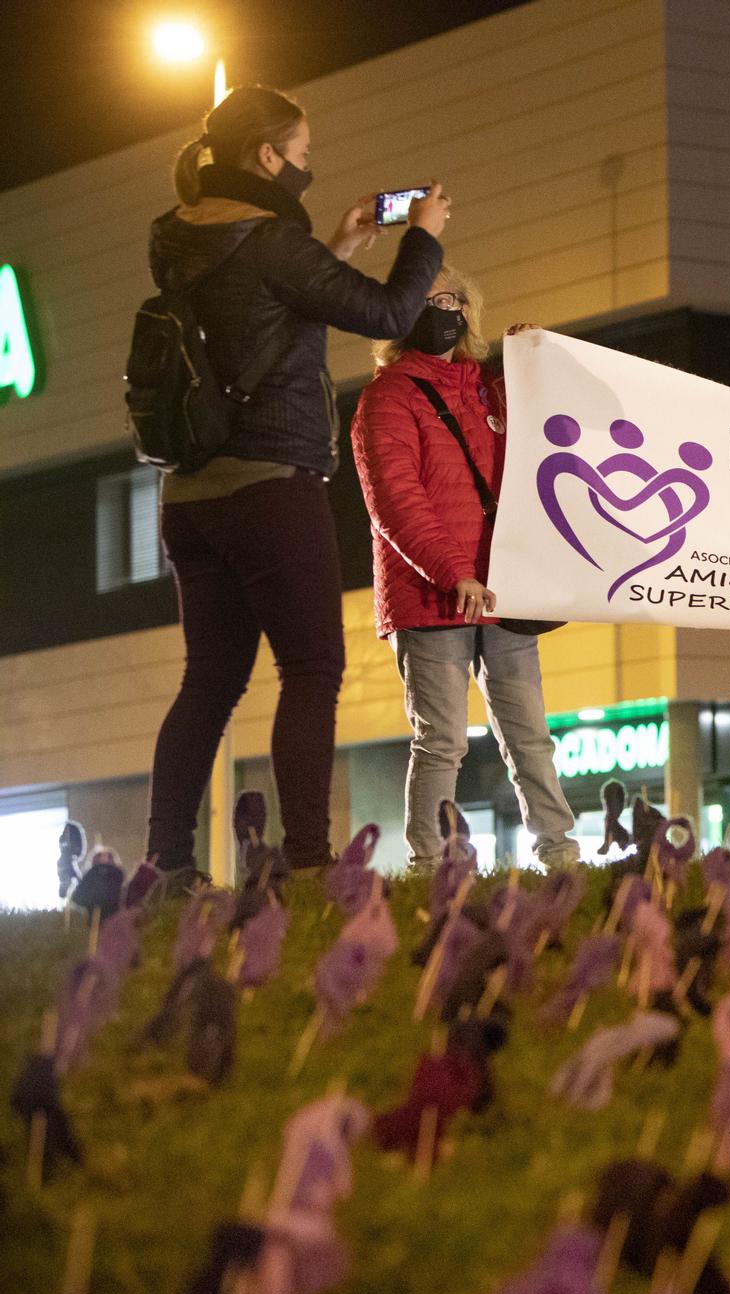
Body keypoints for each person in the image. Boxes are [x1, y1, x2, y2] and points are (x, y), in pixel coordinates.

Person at [145, 85, 448, 879]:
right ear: (268, 155)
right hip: (271, 488)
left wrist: (337, 246)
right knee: (311, 669)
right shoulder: (275, 240)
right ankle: (309, 865)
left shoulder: (177, 236)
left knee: (208, 680)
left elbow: (263, 315)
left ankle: (166, 866)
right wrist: (421, 239)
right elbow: (387, 314)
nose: (308, 171)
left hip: (188, 497)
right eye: (303, 156)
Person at [351, 265, 581, 874]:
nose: (442, 310)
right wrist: (453, 571)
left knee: (530, 736)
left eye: (450, 298)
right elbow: (393, 498)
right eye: (426, 301)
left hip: (503, 589)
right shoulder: (387, 395)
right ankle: (430, 867)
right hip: (432, 595)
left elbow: (548, 439)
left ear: (468, 310)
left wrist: (536, 362)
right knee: (442, 742)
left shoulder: (488, 390)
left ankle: (559, 855)